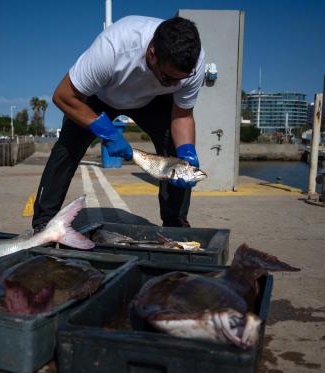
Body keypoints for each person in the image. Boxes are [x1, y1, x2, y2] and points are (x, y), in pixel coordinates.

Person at [32, 15, 205, 231]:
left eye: (181, 79)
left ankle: (175, 224)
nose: (176, 83)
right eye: (170, 78)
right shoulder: (114, 48)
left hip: (151, 100)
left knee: (177, 155)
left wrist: (187, 151)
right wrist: (108, 133)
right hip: (102, 96)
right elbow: (63, 96)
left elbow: (182, 115)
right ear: (152, 54)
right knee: (67, 147)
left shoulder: (193, 66)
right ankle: (43, 224)